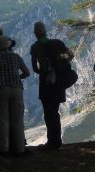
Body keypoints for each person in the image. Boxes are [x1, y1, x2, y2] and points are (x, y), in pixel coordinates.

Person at [30, 21, 72, 150]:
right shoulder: (57, 43)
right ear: (45, 32)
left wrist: (45, 71)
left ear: (35, 34)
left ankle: (52, 142)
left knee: (48, 113)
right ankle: (57, 141)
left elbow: (34, 68)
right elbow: (70, 55)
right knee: (55, 112)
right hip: (59, 83)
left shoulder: (35, 47)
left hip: (46, 83)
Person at [0, 35, 30, 155]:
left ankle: (4, 149)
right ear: (9, 45)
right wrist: (17, 77)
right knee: (17, 120)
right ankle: (20, 149)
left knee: (3, 120)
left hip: (1, 89)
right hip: (17, 89)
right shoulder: (16, 57)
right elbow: (27, 73)